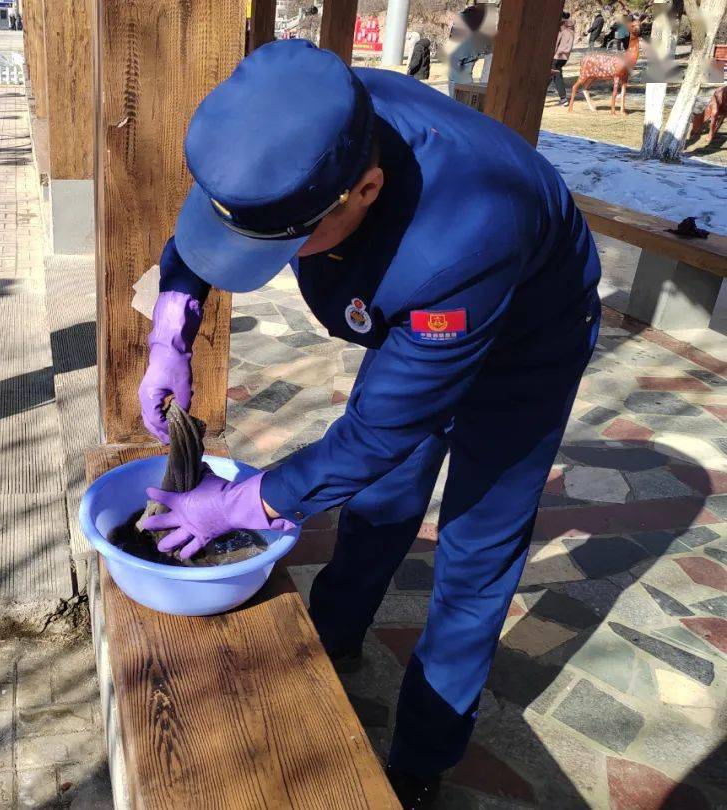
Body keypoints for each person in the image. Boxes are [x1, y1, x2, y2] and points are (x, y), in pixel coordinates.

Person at [136, 40, 600, 808]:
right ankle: (336, 634)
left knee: (476, 549)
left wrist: (242, 502)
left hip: (529, 336)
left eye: (277, 244)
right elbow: (208, 227)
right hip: (418, 308)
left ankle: (423, 756)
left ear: (366, 190)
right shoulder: (309, 125)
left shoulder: (463, 236)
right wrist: (170, 329)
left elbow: (377, 434)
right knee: (382, 498)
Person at [548, 13, 576, 104]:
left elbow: (558, 44)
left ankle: (563, 99)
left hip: (558, 56)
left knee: (555, 75)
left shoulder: (564, 30)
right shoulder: (571, 30)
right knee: (554, 75)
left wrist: (556, 53)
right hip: (563, 57)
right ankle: (563, 98)